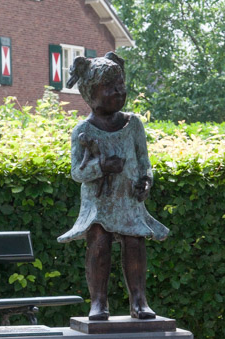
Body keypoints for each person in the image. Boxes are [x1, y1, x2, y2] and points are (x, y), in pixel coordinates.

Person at [57, 51, 169, 320]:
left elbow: (145, 161)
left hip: (129, 201)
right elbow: (77, 172)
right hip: (98, 204)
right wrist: (102, 167)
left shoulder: (133, 125)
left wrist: (146, 181)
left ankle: (139, 300)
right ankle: (98, 302)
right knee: (99, 241)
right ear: (90, 93)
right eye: (109, 88)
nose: (118, 93)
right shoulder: (84, 130)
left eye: (121, 86)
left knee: (135, 242)